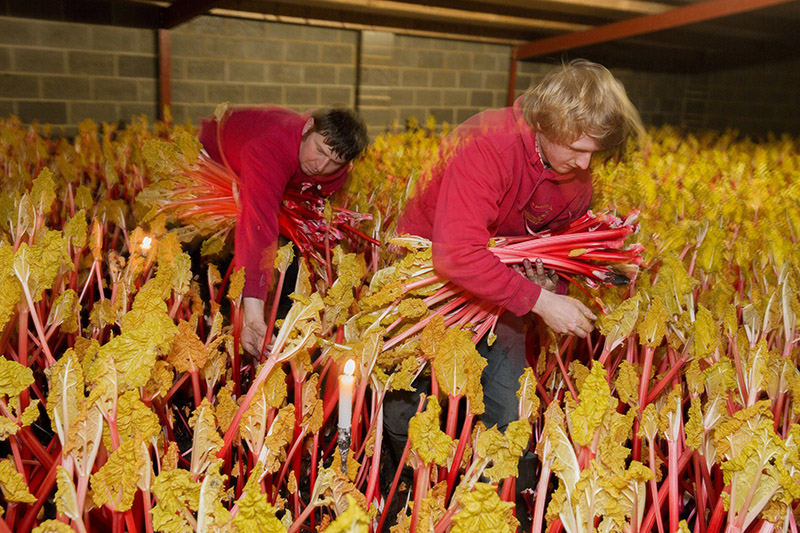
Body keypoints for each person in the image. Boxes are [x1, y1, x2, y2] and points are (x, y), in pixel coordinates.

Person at [385, 59, 644, 522]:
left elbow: (554, 252)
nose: (586, 164)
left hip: (497, 293)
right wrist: (541, 302)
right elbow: (456, 254)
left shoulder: (577, 177)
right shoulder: (488, 143)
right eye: (579, 148)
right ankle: (407, 499)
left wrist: (550, 282)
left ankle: (495, 513)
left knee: (506, 408)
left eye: (595, 152)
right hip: (429, 285)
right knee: (412, 400)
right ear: (550, 122)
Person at [198, 105, 368, 357]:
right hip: (215, 153)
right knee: (214, 251)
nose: (321, 166)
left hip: (272, 168)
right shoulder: (271, 150)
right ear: (308, 127)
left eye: (335, 162)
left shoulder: (336, 171)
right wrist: (253, 318)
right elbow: (258, 229)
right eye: (319, 151)